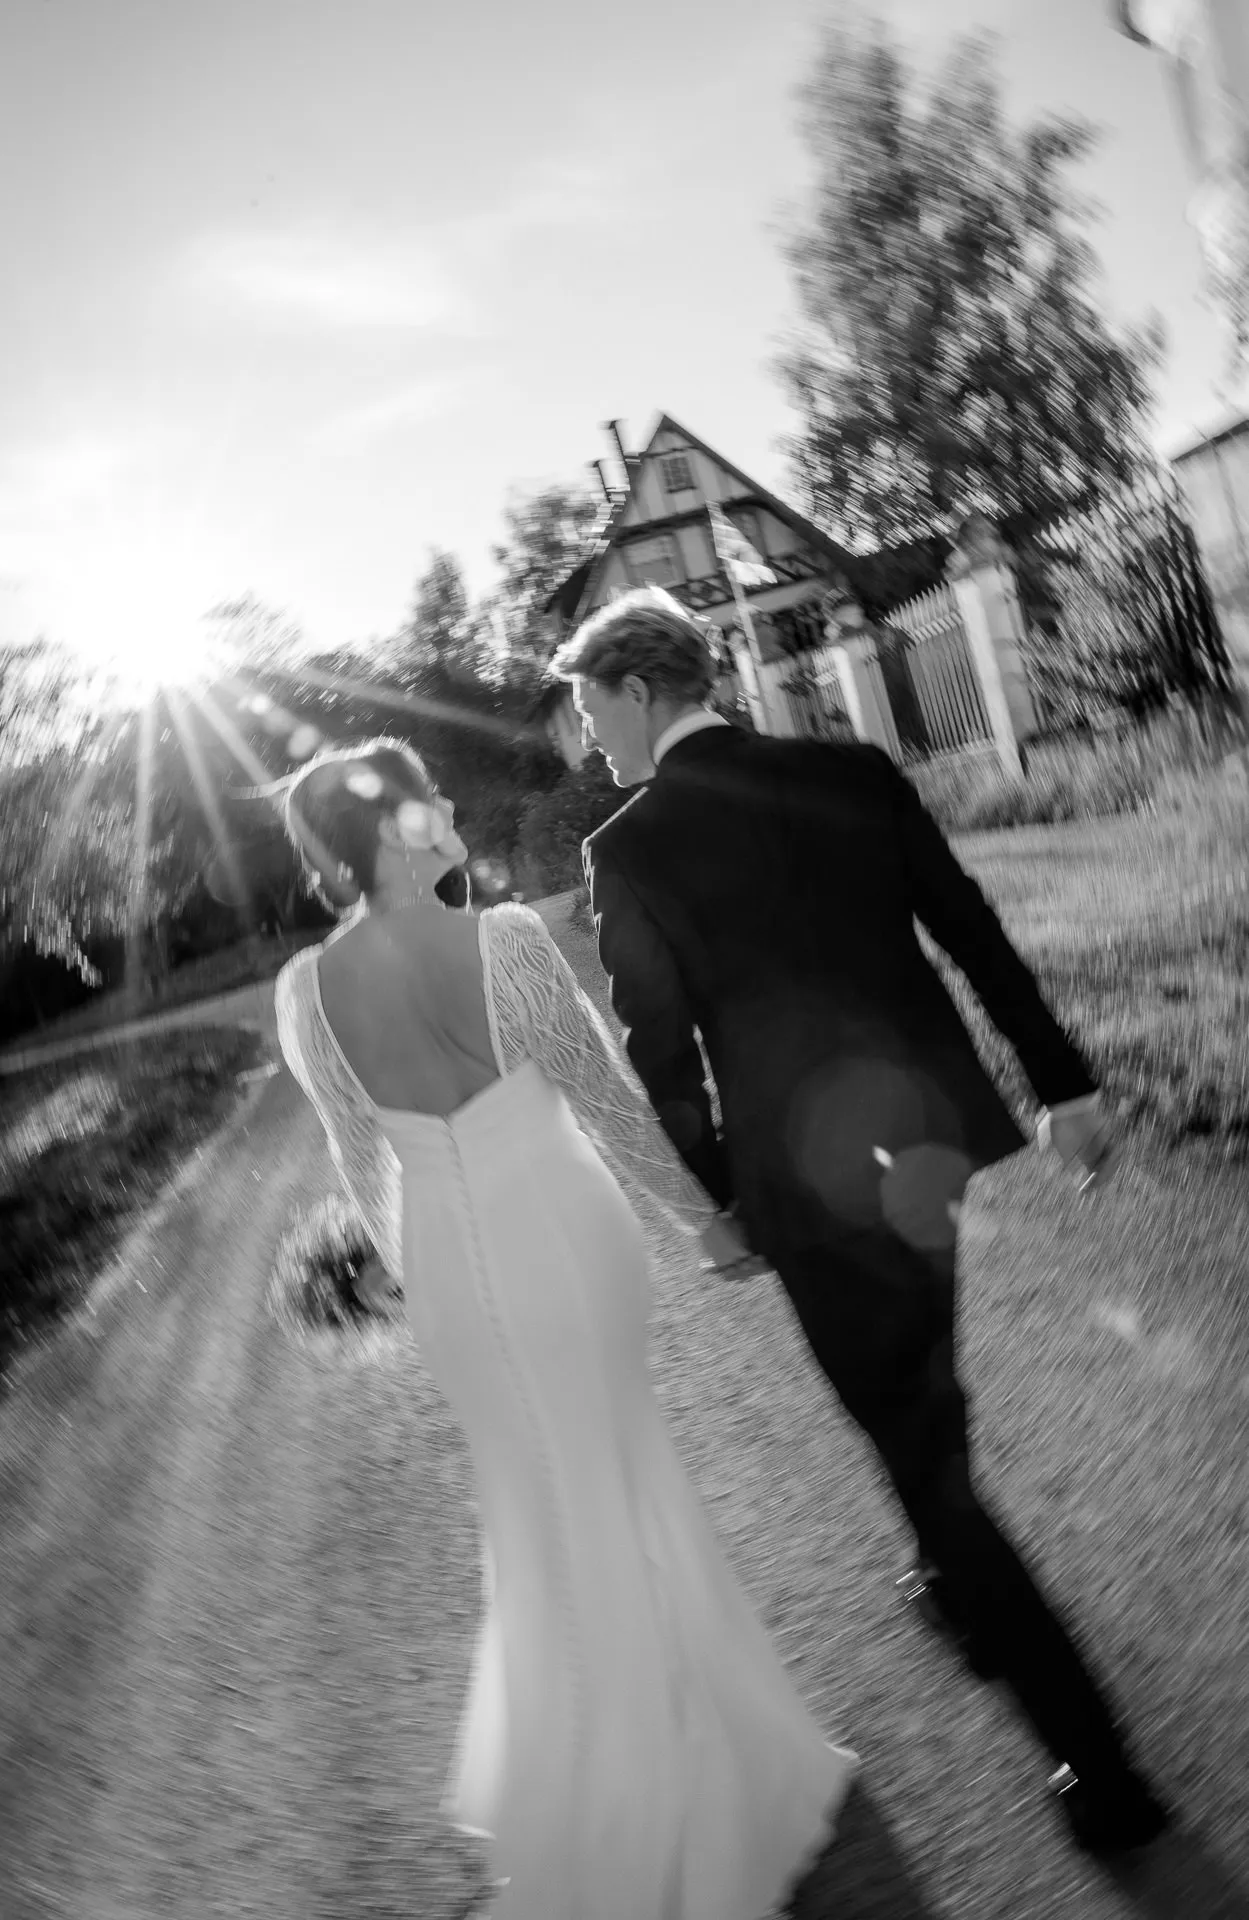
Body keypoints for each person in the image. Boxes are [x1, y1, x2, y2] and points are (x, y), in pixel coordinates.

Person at [549, 585, 1170, 1856]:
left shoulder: (632, 847)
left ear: (633, 688)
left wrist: (727, 1195)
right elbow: (971, 935)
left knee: (918, 1454)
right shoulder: (849, 769)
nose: (587, 738)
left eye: (588, 708)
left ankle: (1102, 1770)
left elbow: (662, 1064)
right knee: (921, 1393)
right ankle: (953, 1583)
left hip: (806, 1191)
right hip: (923, 1141)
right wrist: (1066, 1087)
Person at [269, 737, 856, 1920]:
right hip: (564, 1240)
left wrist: (400, 1273)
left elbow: (358, 1153)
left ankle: (583, 1772)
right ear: (391, 832)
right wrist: (707, 1226)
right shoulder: (507, 944)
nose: (442, 808)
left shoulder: (303, 994)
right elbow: (607, 1104)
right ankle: (671, 1793)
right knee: (617, 1476)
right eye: (425, 797)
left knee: (535, 1502)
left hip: (448, 1272)